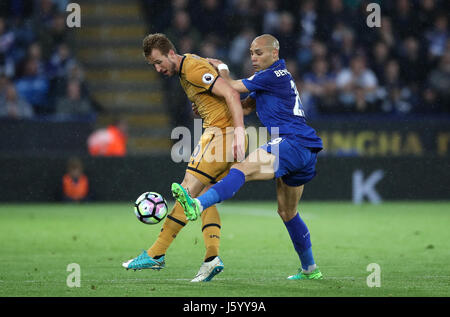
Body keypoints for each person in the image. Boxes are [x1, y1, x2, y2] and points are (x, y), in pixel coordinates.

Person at [171, 34, 324, 280]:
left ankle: (197, 204)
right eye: (251, 53)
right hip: (305, 149)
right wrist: (205, 107)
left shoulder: (270, 75)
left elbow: (229, 86)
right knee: (287, 212)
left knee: (241, 168)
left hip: (290, 142)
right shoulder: (271, 80)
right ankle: (310, 269)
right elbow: (242, 106)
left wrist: (220, 67)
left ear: (274, 54)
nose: (253, 57)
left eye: (259, 53)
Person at [122, 33, 246, 282]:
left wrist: (240, 132)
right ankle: (212, 258)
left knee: (186, 191)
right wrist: (216, 77)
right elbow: (219, 72)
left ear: (170, 53)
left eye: (159, 62)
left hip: (219, 135)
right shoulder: (189, 67)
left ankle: (156, 253)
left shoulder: (190, 69)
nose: (158, 69)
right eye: (153, 66)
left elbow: (232, 94)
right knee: (204, 196)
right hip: (221, 134)